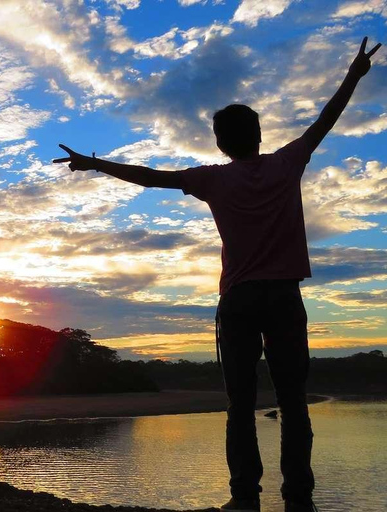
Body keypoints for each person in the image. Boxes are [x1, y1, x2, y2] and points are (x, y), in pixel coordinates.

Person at [53, 37, 381, 512]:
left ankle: (245, 498)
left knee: (240, 405)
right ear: (260, 135)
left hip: (240, 302)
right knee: (293, 402)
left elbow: (149, 176)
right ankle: (299, 500)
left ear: (221, 143)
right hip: (284, 298)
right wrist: (354, 73)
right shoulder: (288, 163)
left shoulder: (212, 178)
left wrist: (93, 163)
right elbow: (325, 120)